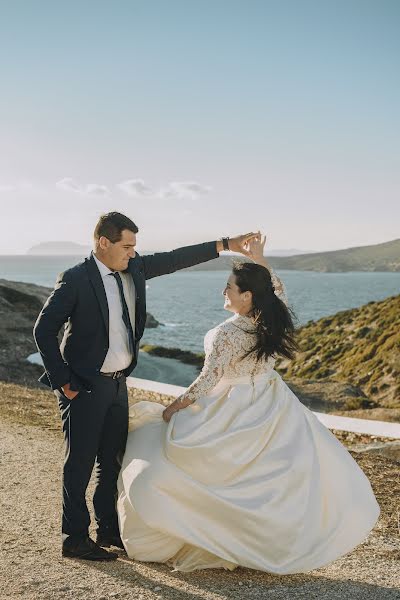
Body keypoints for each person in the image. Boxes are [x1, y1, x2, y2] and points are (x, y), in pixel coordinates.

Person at [117, 233, 380, 574]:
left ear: (247, 296)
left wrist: (172, 407)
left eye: (229, 287)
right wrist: (259, 260)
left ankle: (206, 533)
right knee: (267, 477)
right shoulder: (271, 316)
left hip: (230, 404)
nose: (223, 292)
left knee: (160, 446)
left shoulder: (227, 333)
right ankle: (260, 538)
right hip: (269, 401)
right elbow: (277, 291)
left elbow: (207, 381)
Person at [33, 210, 258, 561]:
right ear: (103, 243)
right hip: (84, 385)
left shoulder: (133, 268)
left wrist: (226, 245)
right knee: (78, 462)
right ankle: (74, 537)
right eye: (126, 246)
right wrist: (64, 382)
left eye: (135, 246)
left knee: (111, 462)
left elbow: (175, 259)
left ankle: (107, 531)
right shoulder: (76, 279)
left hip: (118, 384)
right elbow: (43, 331)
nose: (132, 253)